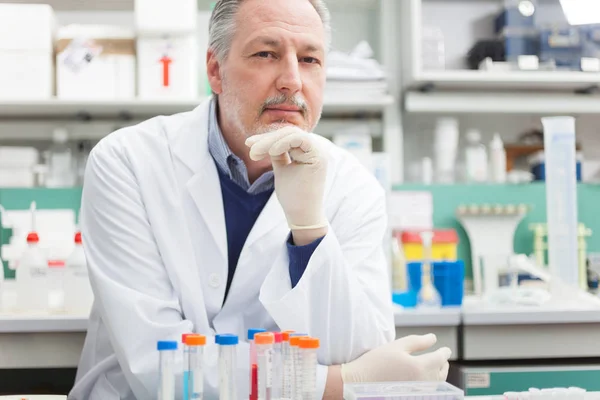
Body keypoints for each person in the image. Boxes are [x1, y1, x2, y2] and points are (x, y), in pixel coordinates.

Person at [69, 0, 451, 399]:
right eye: (266, 54)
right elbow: (158, 363)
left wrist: (310, 230)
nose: (291, 80)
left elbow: (358, 349)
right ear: (215, 70)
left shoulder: (355, 187)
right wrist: (339, 383)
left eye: (309, 59)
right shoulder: (127, 162)